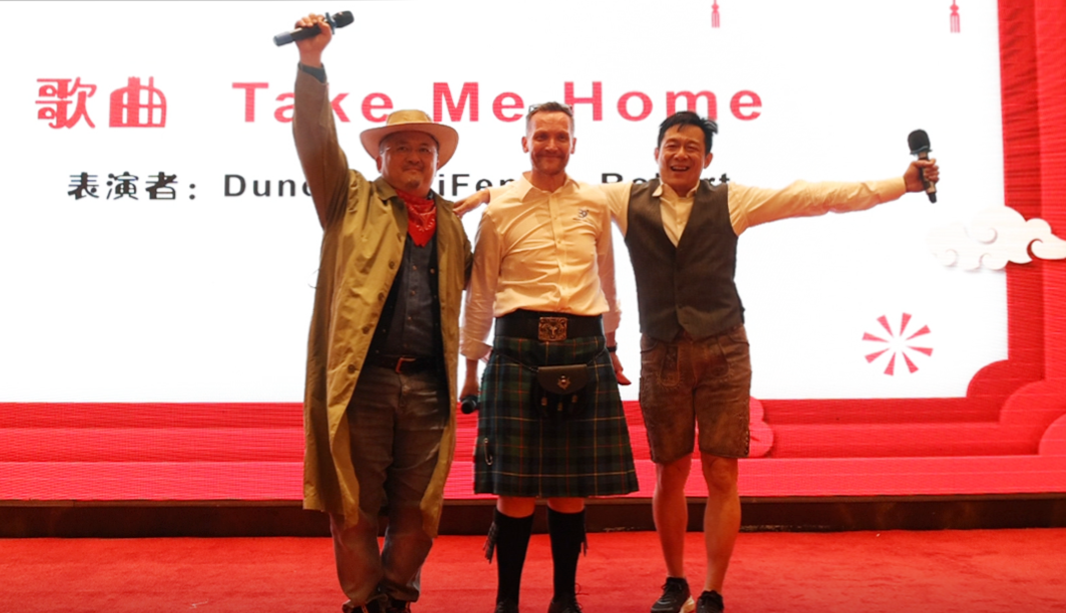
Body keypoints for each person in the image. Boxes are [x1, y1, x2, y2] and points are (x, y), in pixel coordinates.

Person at [458, 110, 940, 613]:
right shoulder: (620, 198)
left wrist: (900, 184)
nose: (681, 153)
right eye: (672, 145)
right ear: (655, 153)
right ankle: (674, 583)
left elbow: (812, 197)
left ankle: (712, 590)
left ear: (708, 159)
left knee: (721, 471)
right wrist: (489, 195)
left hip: (723, 349)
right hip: (658, 350)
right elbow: (545, 189)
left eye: (692, 147)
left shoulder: (730, 199)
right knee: (668, 471)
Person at [290, 13, 472, 613]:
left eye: (425, 149)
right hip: (364, 381)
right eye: (401, 147)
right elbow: (315, 140)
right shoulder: (349, 198)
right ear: (381, 157)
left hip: (428, 386)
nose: (415, 157)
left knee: (421, 507)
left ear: (437, 161)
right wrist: (312, 65)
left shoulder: (451, 223)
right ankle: (365, 599)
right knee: (353, 504)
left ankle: (395, 594)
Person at [460, 102, 639, 613]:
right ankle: (507, 603)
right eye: (541, 136)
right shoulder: (499, 209)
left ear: (574, 144)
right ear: (525, 143)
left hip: (584, 348)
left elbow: (607, 279)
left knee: (570, 489)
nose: (551, 145)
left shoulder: (595, 204)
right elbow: (481, 292)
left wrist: (611, 346)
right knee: (514, 492)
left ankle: (564, 599)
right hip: (516, 350)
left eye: (561, 137)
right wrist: (470, 370)